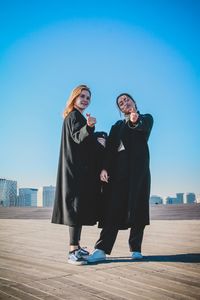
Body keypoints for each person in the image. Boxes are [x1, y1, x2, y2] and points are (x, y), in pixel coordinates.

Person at [87, 93, 153, 263]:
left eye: (126, 99)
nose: (124, 103)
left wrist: (134, 120)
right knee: (113, 209)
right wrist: (104, 168)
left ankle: (136, 248)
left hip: (139, 173)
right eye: (121, 103)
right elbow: (110, 149)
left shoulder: (146, 119)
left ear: (134, 101)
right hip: (119, 173)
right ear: (120, 109)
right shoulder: (116, 125)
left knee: (138, 208)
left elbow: (140, 125)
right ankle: (101, 249)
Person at [51, 84, 107, 265]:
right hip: (74, 172)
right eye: (82, 96)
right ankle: (72, 251)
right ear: (74, 97)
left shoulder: (77, 116)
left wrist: (96, 134)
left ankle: (77, 246)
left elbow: (83, 142)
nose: (85, 100)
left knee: (79, 208)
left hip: (78, 171)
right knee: (75, 209)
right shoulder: (74, 116)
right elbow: (78, 136)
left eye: (88, 98)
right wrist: (90, 128)